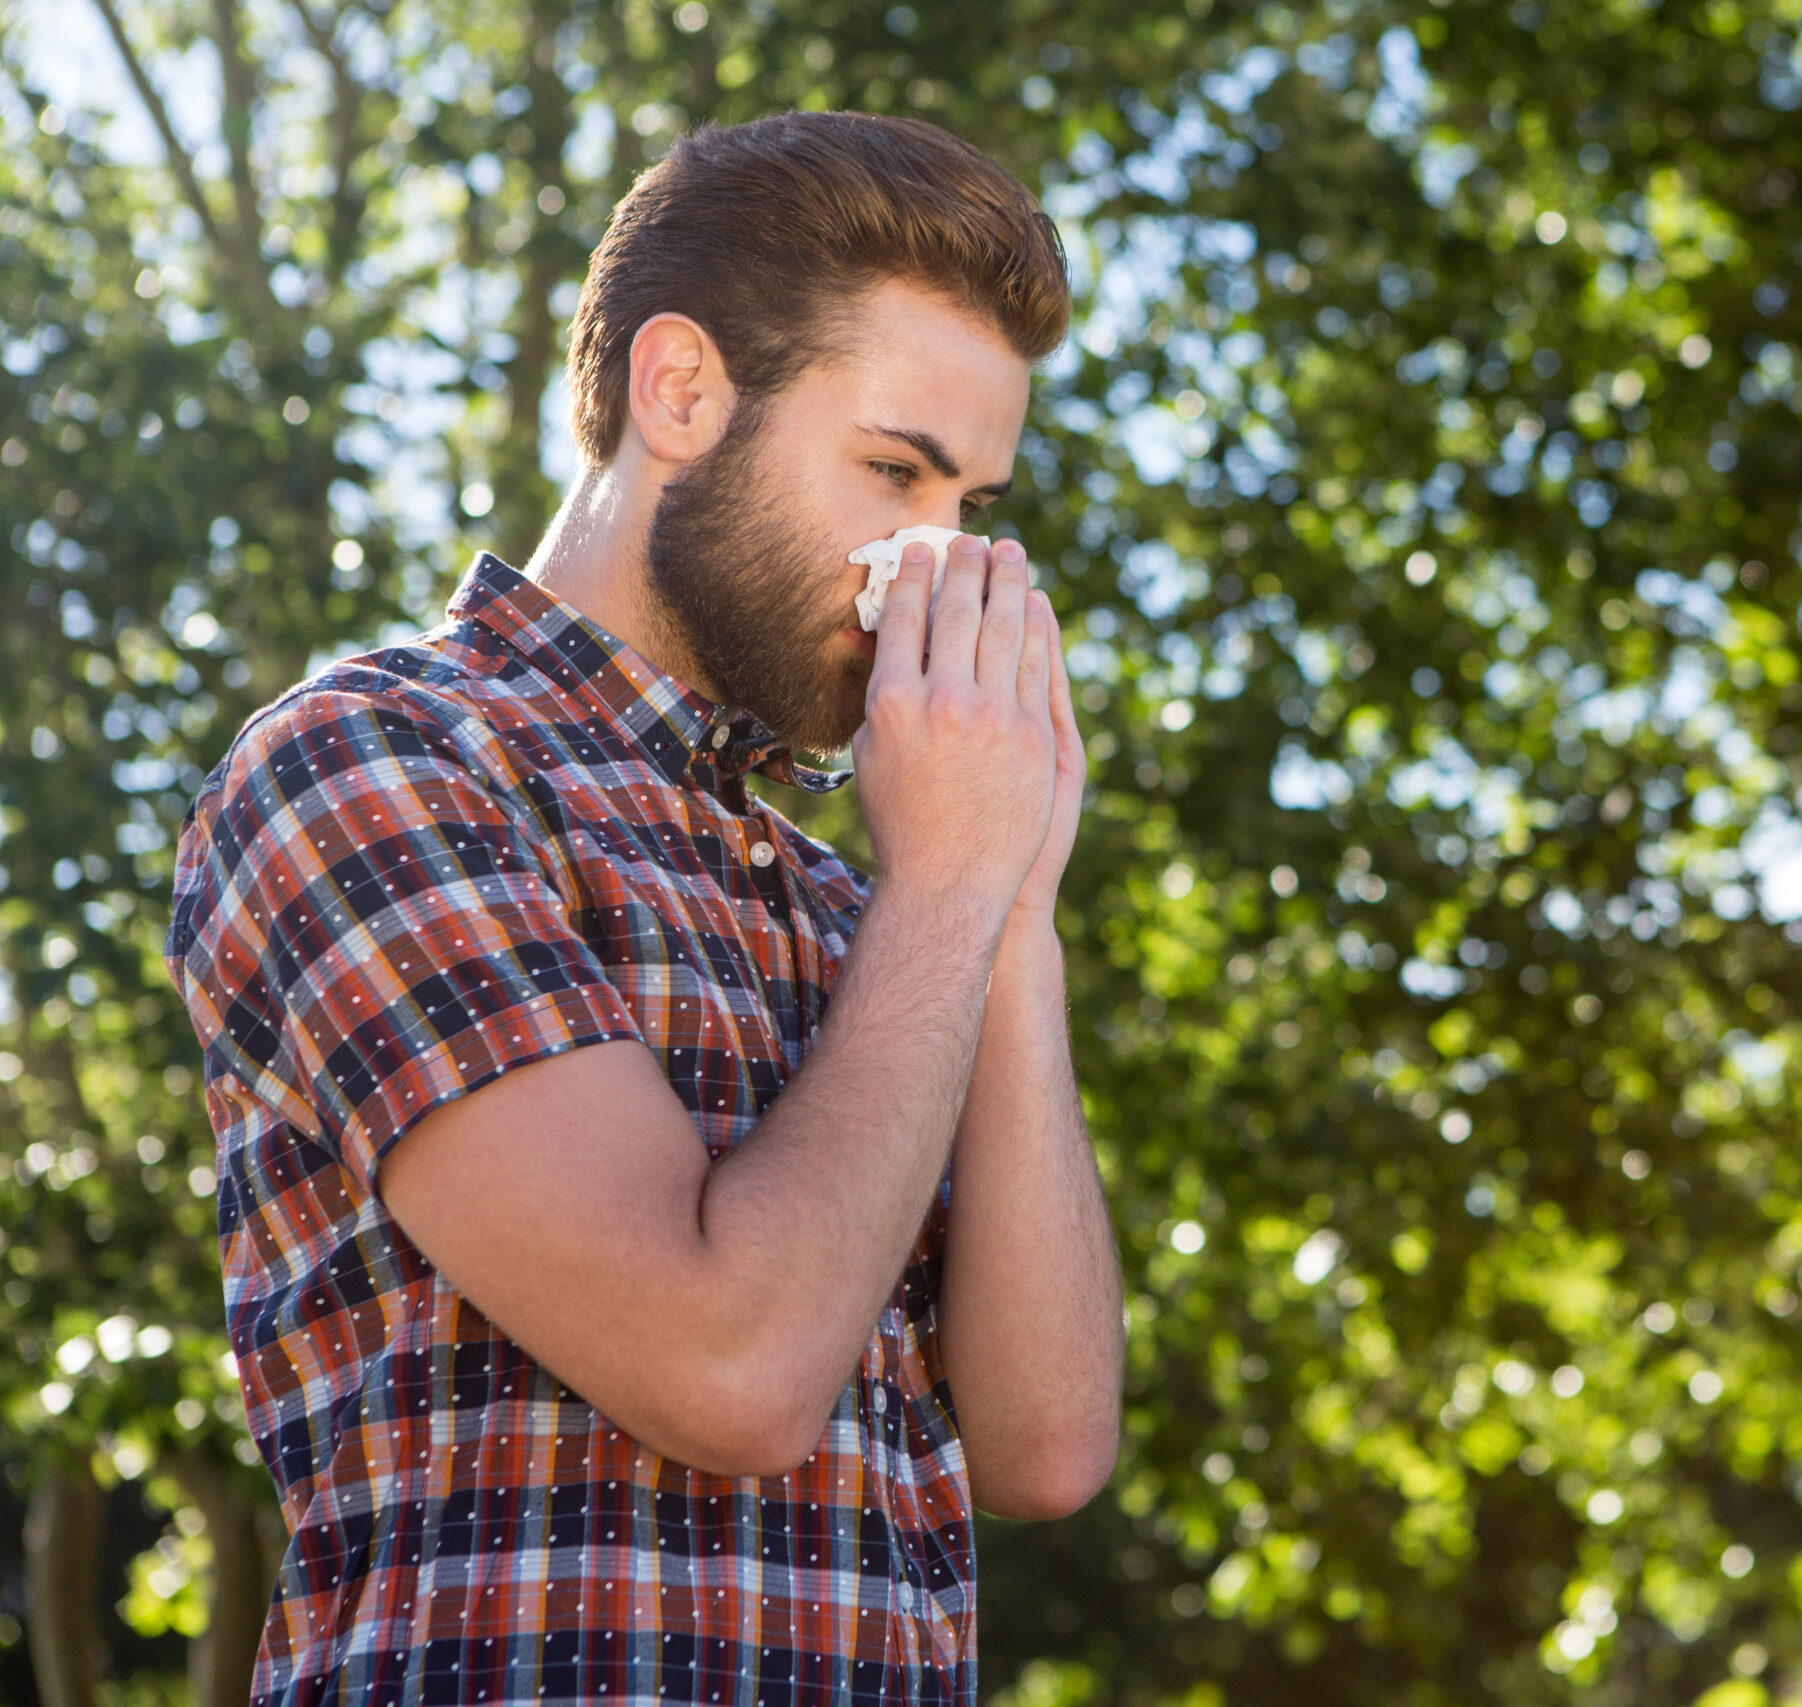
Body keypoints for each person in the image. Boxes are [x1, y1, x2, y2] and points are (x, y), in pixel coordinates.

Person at [162, 111, 1123, 1707]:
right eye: (894, 472)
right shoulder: (382, 763)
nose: (932, 567)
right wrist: (948, 884)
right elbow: (729, 1366)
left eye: (970, 503)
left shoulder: (864, 909)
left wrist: (1006, 905)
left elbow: (1046, 1443)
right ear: (678, 392)